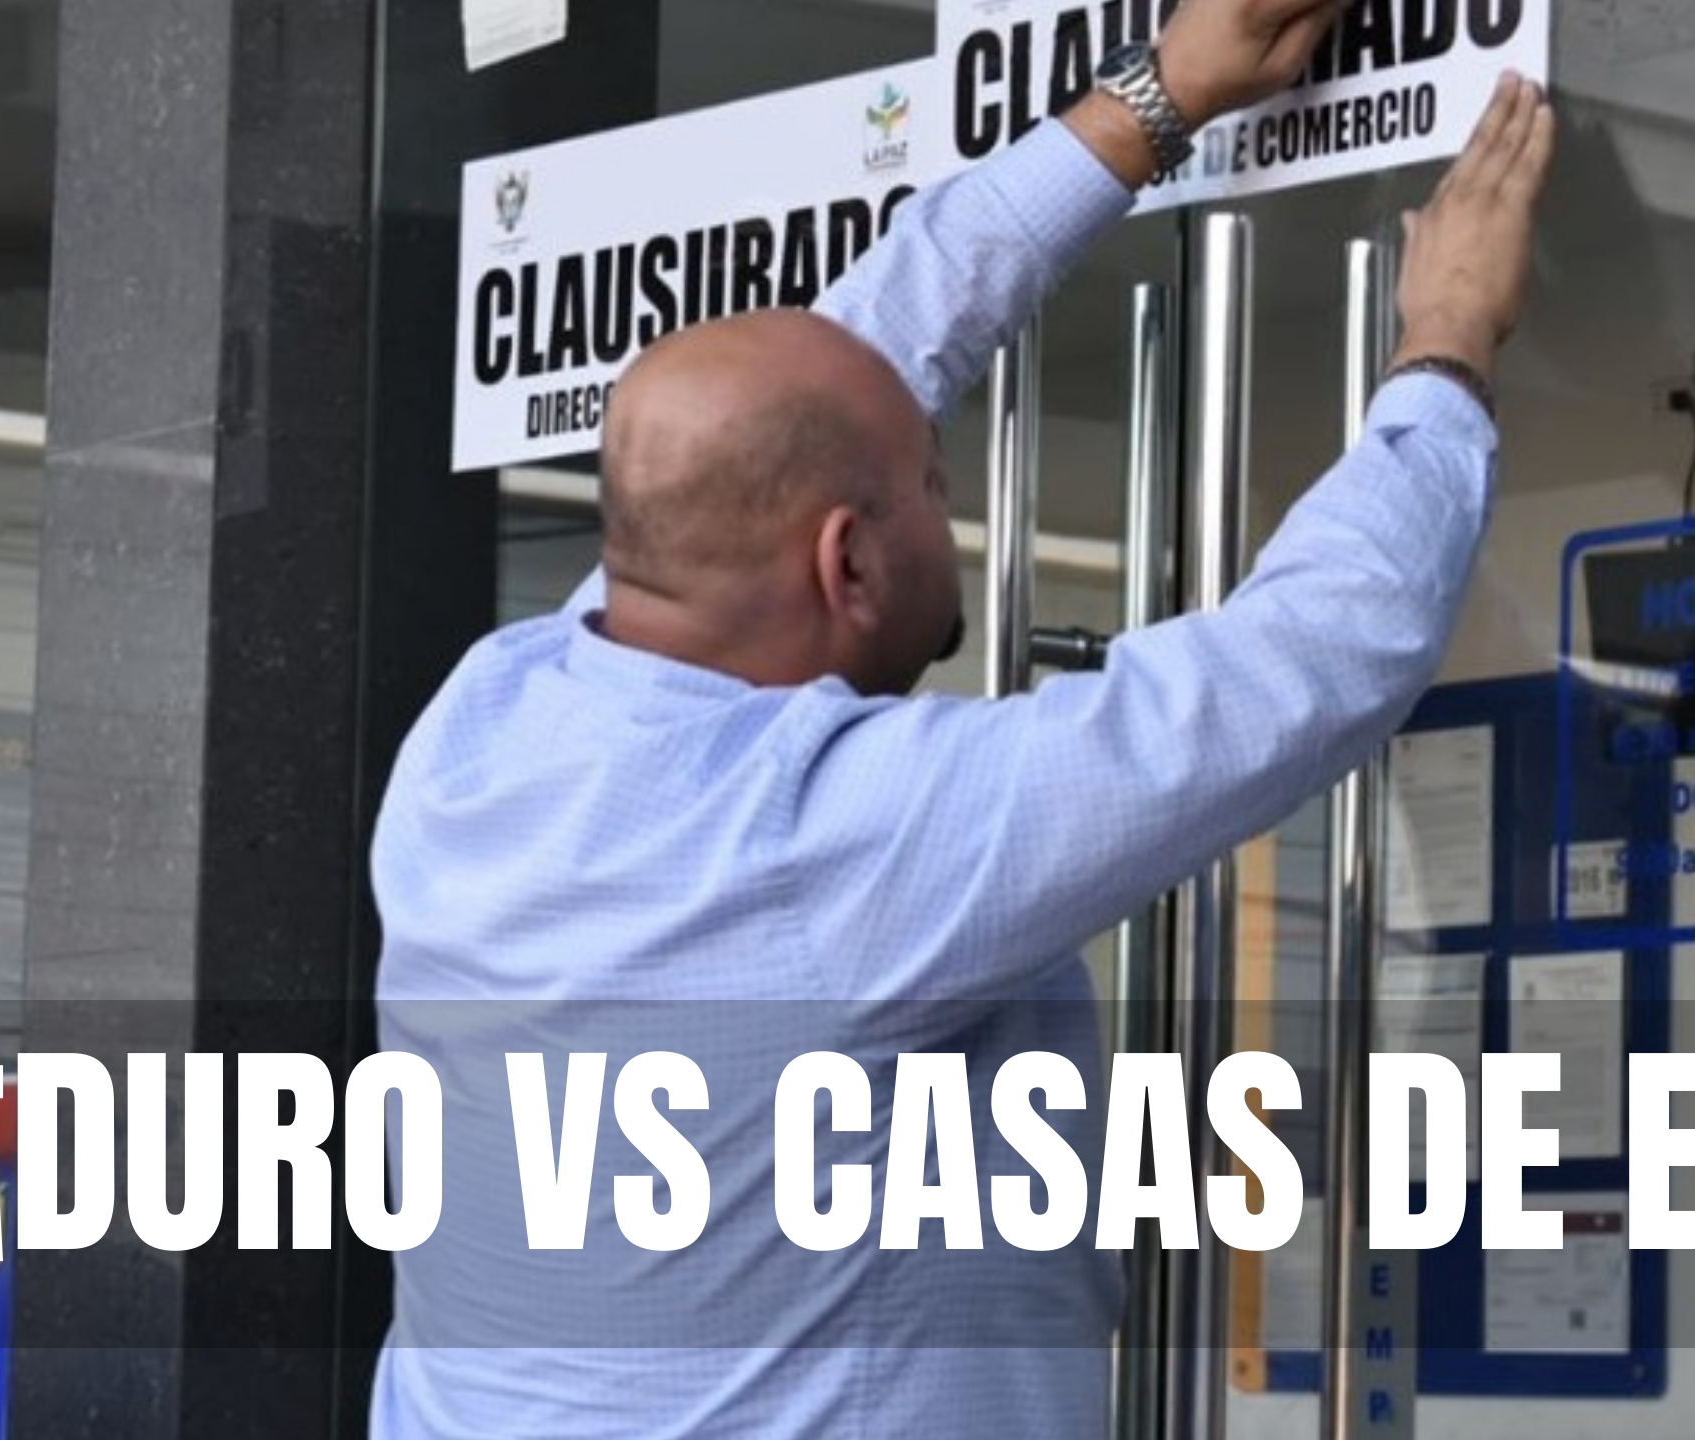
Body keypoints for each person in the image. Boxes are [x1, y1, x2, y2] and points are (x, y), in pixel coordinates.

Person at [366, 0, 1557, 1431]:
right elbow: (1315, 656)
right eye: (936, 486)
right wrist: (1445, 343)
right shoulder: (831, 849)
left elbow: (827, 383)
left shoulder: (489, 729)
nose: (955, 504)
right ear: (849, 564)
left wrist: (1157, 99)